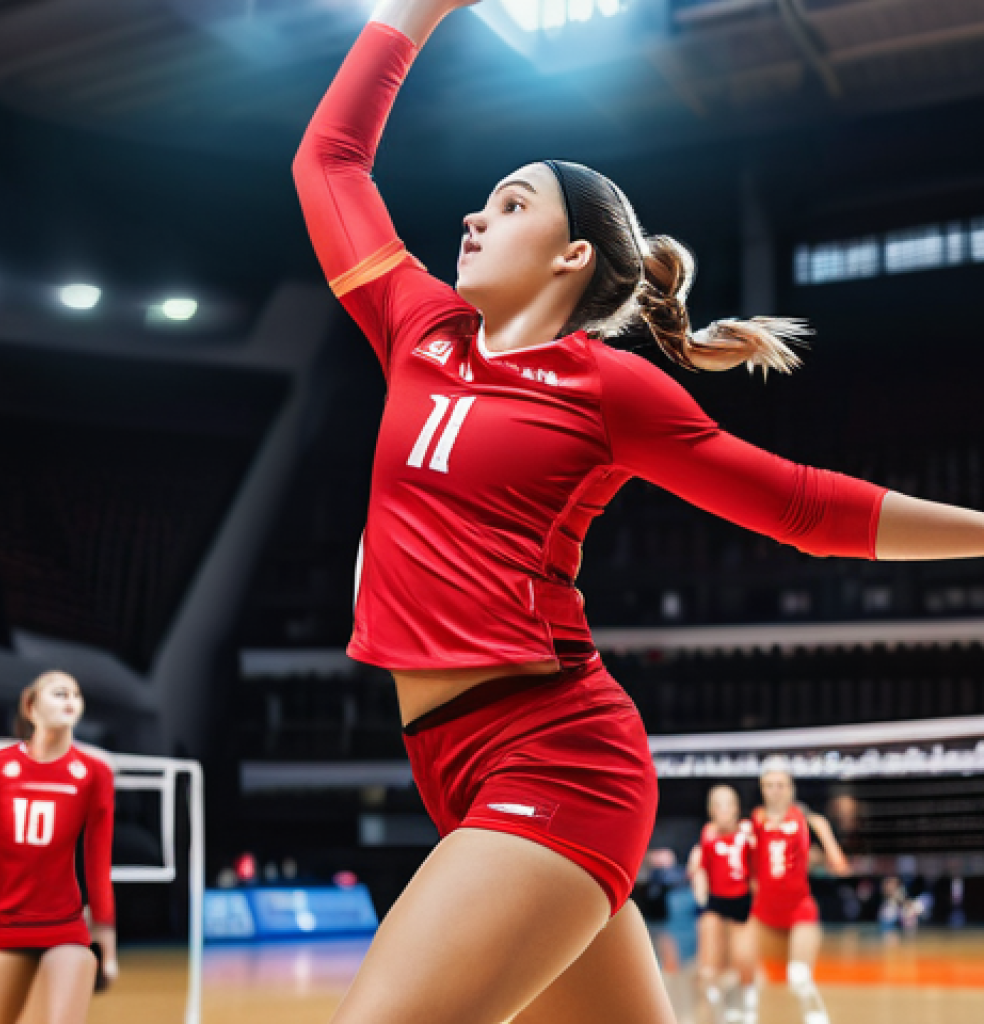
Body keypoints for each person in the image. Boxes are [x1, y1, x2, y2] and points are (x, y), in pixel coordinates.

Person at [293, 1, 984, 1019]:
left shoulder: (609, 388)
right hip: (448, 760)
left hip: (554, 756)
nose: (474, 219)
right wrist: (414, 12)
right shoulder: (416, 322)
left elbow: (802, 506)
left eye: (511, 204)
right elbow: (330, 162)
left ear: (572, 257)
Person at [0, 671, 117, 1024]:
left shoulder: (94, 773)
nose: (70, 700)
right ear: (31, 707)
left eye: (75, 694)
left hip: (65, 929)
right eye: (59, 693)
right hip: (7, 925)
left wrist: (106, 940)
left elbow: (98, 866)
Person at [750, 762, 847, 1024]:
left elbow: (839, 864)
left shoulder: (809, 822)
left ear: (791, 788)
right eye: (770, 785)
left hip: (798, 908)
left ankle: (816, 1016)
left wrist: (818, 855)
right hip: (765, 912)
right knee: (761, 981)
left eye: (781, 785)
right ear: (762, 789)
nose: (775, 791)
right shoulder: (753, 822)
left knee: (799, 976)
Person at [687, 786, 757, 1023]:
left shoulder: (747, 832)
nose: (724, 811)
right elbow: (700, 867)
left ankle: (747, 1004)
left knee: (743, 957)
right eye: (718, 805)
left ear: (737, 809)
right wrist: (698, 880)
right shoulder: (707, 834)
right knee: (708, 962)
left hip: (742, 900)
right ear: (711, 810)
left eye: (729, 805)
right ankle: (713, 1006)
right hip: (716, 901)